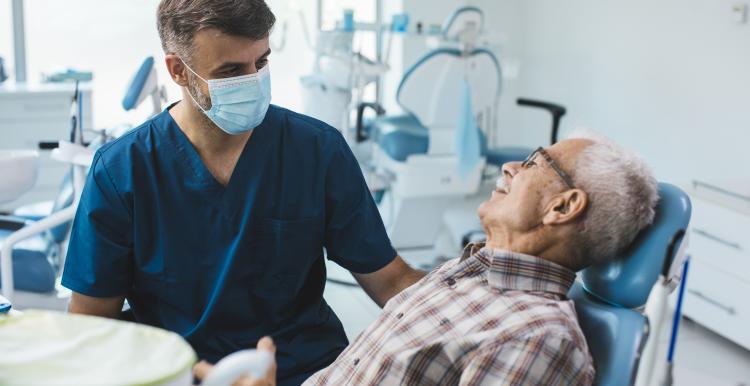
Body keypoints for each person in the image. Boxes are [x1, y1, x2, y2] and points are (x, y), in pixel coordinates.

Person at [60, 1, 424, 385]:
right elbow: (90, 324)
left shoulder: (316, 151)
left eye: (261, 63)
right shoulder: (123, 171)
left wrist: (479, 302)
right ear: (178, 70)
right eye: (231, 71)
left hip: (306, 372)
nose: (253, 80)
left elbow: (391, 280)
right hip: (181, 375)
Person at [196, 134, 659, 385]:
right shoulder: (467, 277)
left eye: (535, 162)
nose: (510, 168)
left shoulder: (537, 338)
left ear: (563, 208)